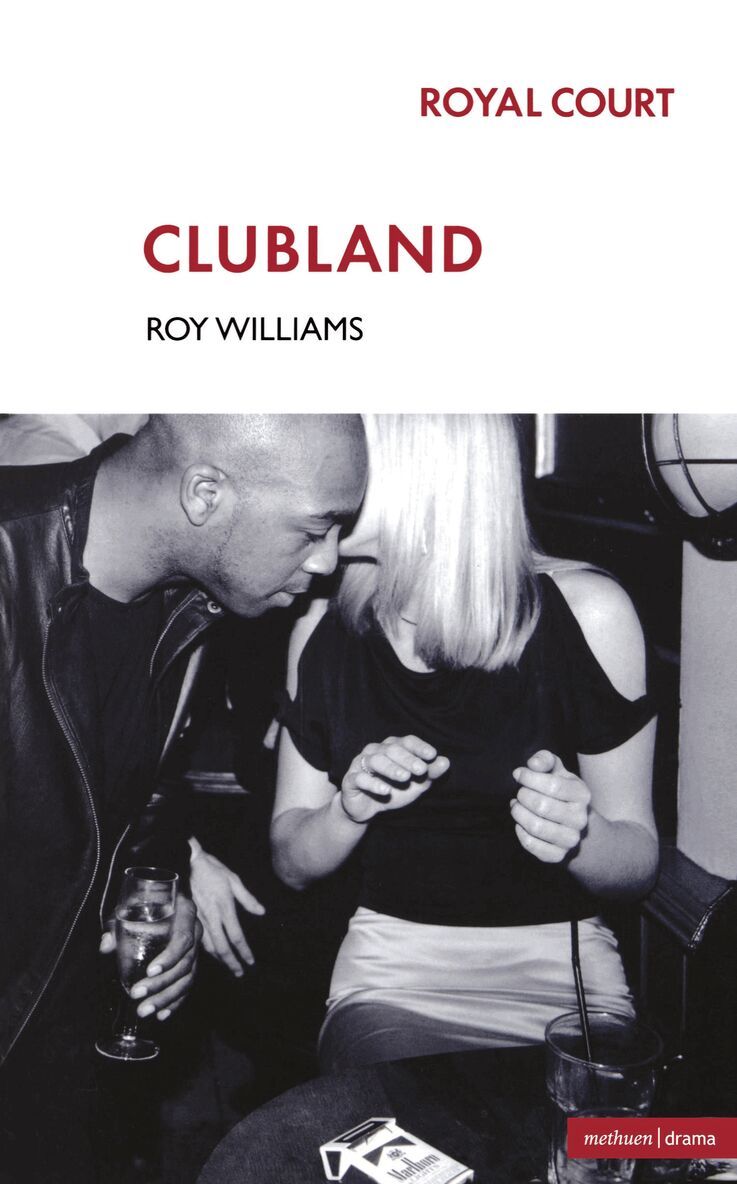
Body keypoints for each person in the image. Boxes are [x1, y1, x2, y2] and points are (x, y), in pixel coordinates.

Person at [0, 412, 367, 1182]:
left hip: (54, 1067)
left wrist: (162, 893)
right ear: (204, 493)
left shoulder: (190, 606)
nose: (328, 560)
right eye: (314, 529)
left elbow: (132, 800)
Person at [271, 413, 659, 1070]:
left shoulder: (590, 612)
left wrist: (580, 836)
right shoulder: (321, 627)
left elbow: (638, 865)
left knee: (609, 1135)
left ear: (422, 466)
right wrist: (347, 811)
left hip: (565, 985)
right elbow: (289, 861)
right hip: (392, 977)